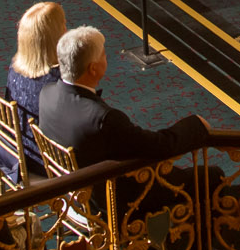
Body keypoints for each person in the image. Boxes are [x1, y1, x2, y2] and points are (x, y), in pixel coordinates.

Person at [38, 27, 211, 201]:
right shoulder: (104, 118)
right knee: (211, 176)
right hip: (116, 200)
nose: (106, 58)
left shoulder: (46, 93)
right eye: (104, 55)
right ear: (93, 68)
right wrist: (196, 125)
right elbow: (158, 146)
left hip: (71, 194)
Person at [5, 0, 67, 180]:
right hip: (48, 162)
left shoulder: (15, 67)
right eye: (63, 25)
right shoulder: (58, 81)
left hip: (17, 152)